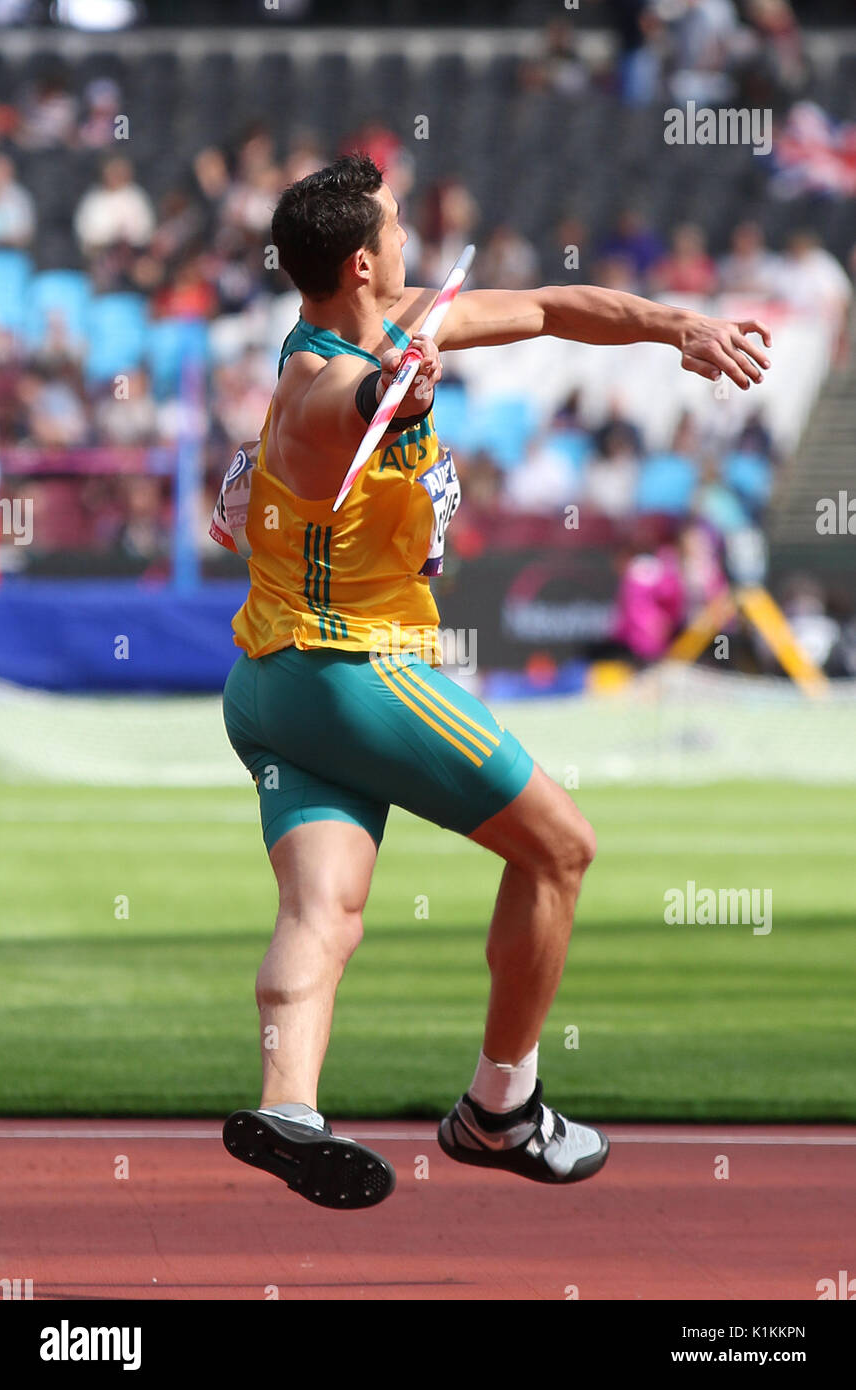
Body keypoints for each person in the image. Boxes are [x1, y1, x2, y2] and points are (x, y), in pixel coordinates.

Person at [217, 152, 771, 1210]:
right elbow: (333, 422)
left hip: (273, 687)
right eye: (395, 221)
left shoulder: (397, 322)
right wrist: (392, 390)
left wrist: (678, 328)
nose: (413, 229)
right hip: (352, 670)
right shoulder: (325, 377)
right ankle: (501, 1106)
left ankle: (286, 1106)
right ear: (366, 260)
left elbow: (557, 308)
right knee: (562, 847)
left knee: (324, 912)